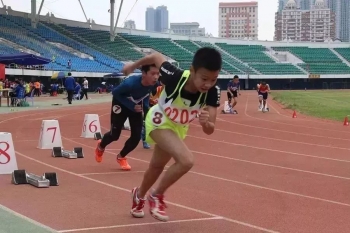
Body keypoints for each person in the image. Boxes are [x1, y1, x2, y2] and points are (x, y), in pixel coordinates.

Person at [122, 47, 222, 222]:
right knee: (186, 160)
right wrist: (133, 66)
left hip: (178, 128)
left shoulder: (212, 93)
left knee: (156, 167)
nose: (208, 84)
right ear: (192, 70)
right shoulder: (174, 76)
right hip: (159, 120)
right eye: (204, 78)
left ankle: (139, 196)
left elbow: (210, 129)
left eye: (213, 79)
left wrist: (206, 122)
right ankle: (156, 195)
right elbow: (156, 56)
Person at [95, 65, 159, 170]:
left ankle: (121, 157)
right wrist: (132, 106)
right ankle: (101, 146)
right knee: (114, 135)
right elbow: (115, 93)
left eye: (157, 73)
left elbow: (146, 94)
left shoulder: (154, 83)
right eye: (153, 74)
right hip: (120, 104)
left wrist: (147, 110)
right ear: (143, 73)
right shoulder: (130, 83)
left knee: (136, 137)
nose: (156, 77)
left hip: (136, 106)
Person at [141, 81, 164, 149]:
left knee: (160, 126)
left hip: (159, 110)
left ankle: (161, 141)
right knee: (147, 125)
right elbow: (145, 102)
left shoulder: (168, 91)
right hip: (149, 108)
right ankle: (144, 139)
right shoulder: (156, 89)